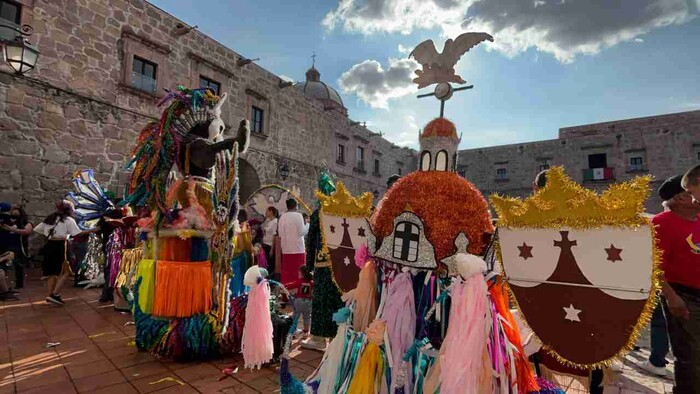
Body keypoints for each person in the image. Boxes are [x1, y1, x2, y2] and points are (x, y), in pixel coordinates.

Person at [651, 171, 700, 393]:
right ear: (680, 198)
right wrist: (671, 297)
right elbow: (654, 266)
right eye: (691, 193)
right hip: (683, 296)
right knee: (690, 356)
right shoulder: (661, 223)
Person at [34, 201, 84, 305]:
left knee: (52, 272)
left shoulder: (50, 218)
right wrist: (93, 230)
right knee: (66, 270)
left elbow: (38, 229)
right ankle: (55, 294)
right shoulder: (69, 220)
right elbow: (77, 233)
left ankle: (50, 296)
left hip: (49, 245)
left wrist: (51, 233)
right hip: (61, 246)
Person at [0, 204, 32, 289]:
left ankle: (19, 284)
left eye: (16, 210)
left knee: (18, 265)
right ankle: (4, 285)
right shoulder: (5, 219)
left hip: (18, 246)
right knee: (3, 266)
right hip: (4, 245)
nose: (14, 211)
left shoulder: (25, 222)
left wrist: (12, 229)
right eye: (13, 209)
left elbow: (27, 231)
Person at [278, 198, 308, 284]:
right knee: (299, 271)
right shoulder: (298, 215)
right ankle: (299, 290)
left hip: (286, 249)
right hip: (298, 248)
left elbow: (280, 234)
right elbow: (302, 232)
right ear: (296, 206)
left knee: (288, 272)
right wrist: (308, 225)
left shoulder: (282, 217)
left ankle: (286, 291)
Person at [287, 265, 314, 337]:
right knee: (307, 317)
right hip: (308, 302)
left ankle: (293, 330)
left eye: (299, 273)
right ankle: (306, 331)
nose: (298, 274)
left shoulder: (299, 281)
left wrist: (283, 286)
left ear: (303, 274)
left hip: (299, 301)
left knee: (295, 316)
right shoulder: (312, 282)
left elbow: (291, 285)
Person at [262, 207, 279, 275]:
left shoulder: (275, 222)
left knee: (270, 264)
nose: (266, 213)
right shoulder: (269, 221)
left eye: (267, 211)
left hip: (270, 245)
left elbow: (274, 235)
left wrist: (272, 249)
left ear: (271, 212)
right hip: (265, 244)